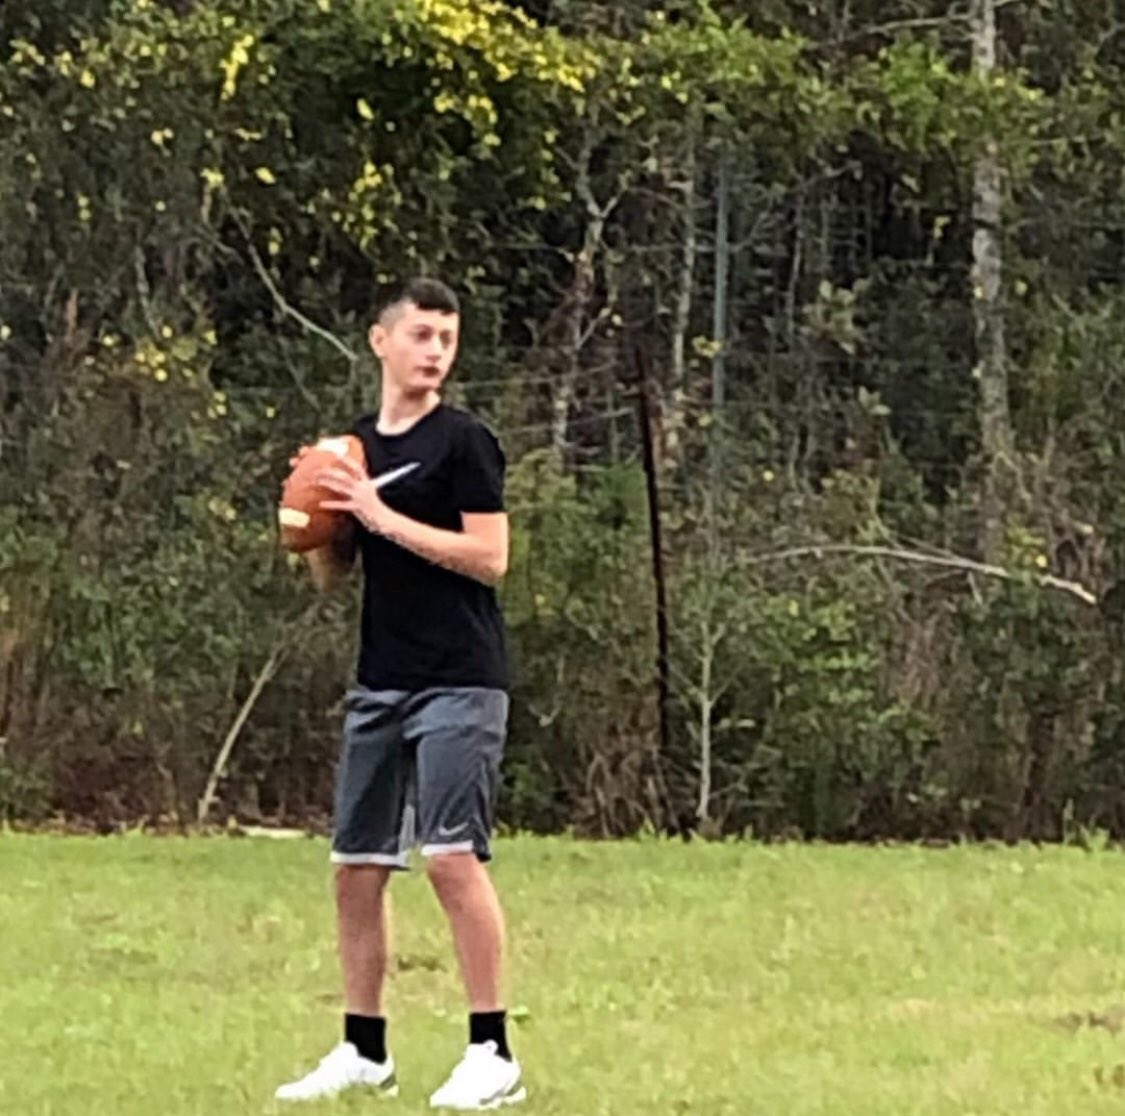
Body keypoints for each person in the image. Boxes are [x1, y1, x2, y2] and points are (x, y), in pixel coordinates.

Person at [274, 278, 524, 1110]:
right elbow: (329, 574)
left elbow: (490, 558)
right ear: (381, 342)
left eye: (446, 338)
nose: (434, 351)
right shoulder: (351, 450)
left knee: (451, 855)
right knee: (356, 866)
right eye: (419, 334)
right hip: (381, 678)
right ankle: (363, 1049)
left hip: (461, 676)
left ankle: (492, 1051)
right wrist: (318, 514)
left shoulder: (464, 443)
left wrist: (379, 514)